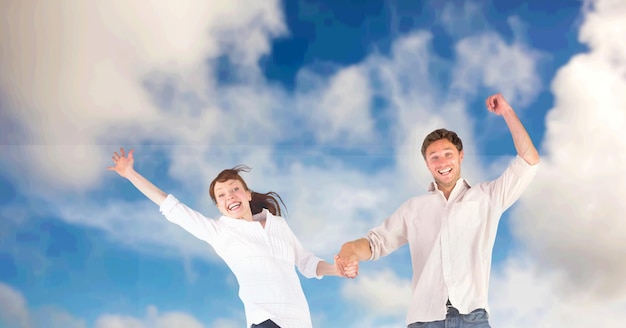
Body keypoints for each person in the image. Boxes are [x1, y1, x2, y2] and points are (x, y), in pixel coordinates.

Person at [336, 93, 540, 328]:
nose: (442, 162)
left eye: (448, 155)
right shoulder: (413, 209)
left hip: (473, 318)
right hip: (424, 320)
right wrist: (348, 251)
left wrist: (506, 112)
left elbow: (528, 160)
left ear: (460, 157)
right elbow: (374, 243)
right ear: (427, 164)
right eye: (434, 157)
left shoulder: (487, 198)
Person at [108, 148, 356, 328]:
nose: (230, 197)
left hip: (300, 321)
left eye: (235, 189)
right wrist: (130, 174)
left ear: (247, 194)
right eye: (222, 195)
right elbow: (173, 208)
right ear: (219, 207)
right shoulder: (220, 232)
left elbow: (307, 263)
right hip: (265, 320)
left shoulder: (277, 224)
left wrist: (338, 269)